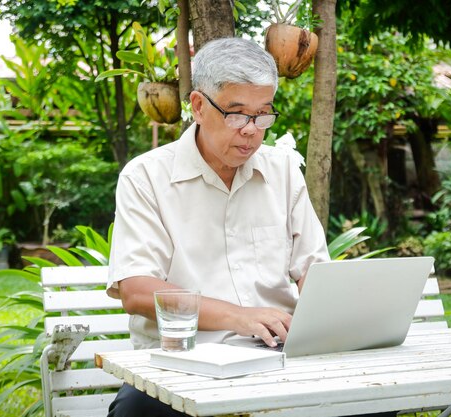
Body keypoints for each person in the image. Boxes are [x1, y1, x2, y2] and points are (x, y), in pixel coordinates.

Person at [105, 37, 330, 417]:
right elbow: (137, 292)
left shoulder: (284, 172)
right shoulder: (146, 177)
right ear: (198, 106)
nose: (251, 130)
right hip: (181, 363)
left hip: (276, 358)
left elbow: (315, 273)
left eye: (263, 115)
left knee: (375, 405)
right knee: (135, 413)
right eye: (238, 114)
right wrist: (240, 317)